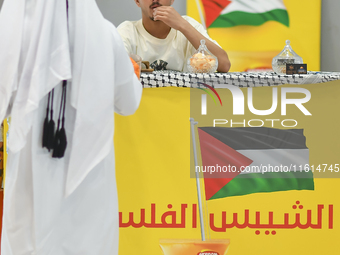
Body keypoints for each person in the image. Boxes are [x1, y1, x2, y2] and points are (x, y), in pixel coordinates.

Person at [0, 0, 142, 254]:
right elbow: (129, 103)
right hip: (90, 191)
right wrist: (133, 76)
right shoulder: (105, 34)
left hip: (30, 188)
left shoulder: (18, 38)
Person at [117, 0, 231, 72]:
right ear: (137, 1)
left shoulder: (188, 24)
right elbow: (113, 69)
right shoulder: (127, 31)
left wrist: (183, 26)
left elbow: (224, 65)